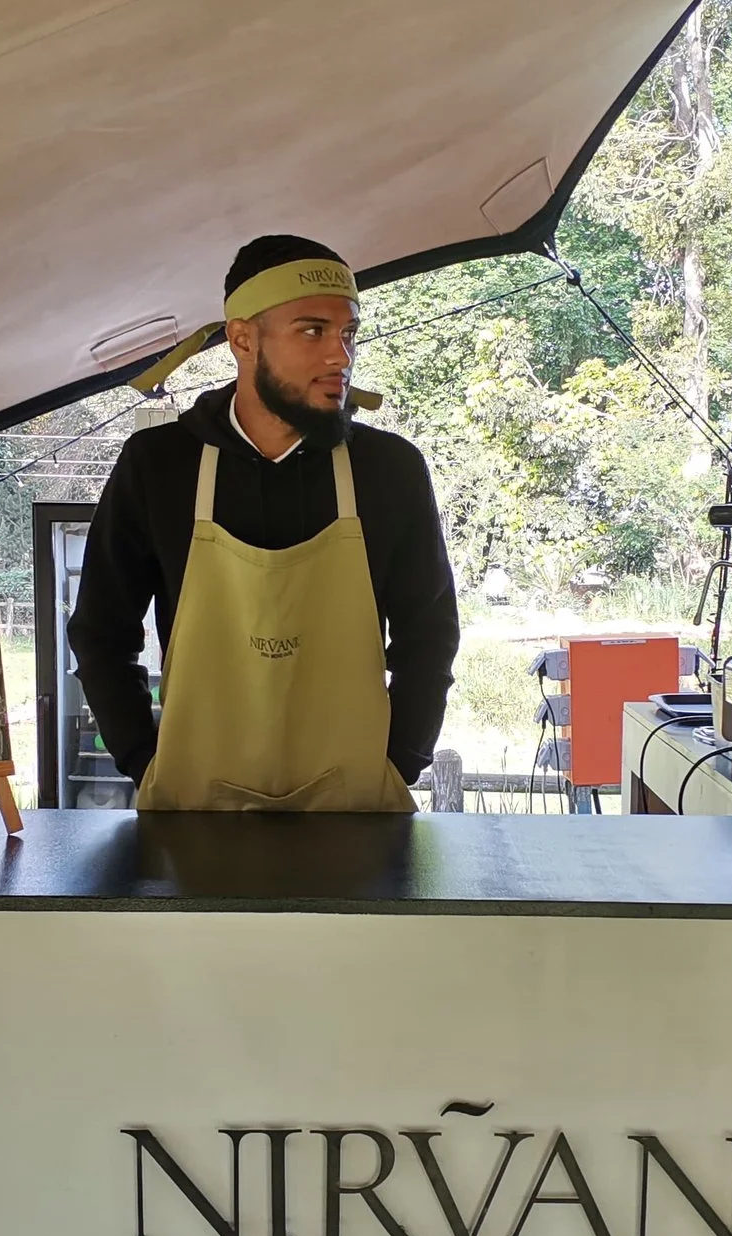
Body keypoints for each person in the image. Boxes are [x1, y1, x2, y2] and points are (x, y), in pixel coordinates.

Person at [69, 235, 461, 810]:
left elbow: (428, 636)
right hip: (193, 814)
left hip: (356, 813)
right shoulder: (160, 465)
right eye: (313, 331)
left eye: (348, 333)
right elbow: (102, 632)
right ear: (242, 339)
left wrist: (399, 762)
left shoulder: (388, 470)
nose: (340, 357)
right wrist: (143, 758)